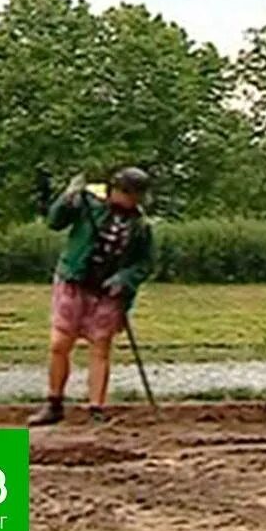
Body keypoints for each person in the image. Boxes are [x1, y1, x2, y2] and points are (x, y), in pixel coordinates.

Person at [28, 167, 158, 426]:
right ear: (114, 190)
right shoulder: (88, 204)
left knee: (100, 347)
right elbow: (55, 222)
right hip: (74, 283)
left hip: (108, 293)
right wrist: (66, 199)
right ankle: (54, 403)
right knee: (59, 344)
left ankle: (96, 408)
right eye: (127, 193)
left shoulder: (140, 226)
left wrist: (125, 279)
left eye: (136, 196)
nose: (131, 200)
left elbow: (145, 263)